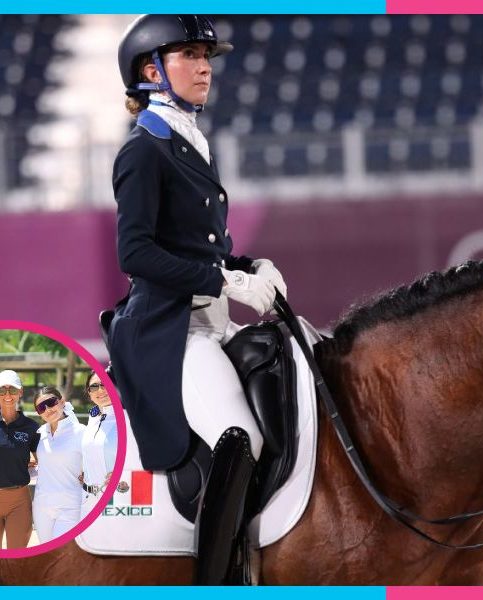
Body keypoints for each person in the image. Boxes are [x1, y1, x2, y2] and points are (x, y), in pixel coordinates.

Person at [110, 14, 287, 583]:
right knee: (241, 437)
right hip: (170, 330)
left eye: (206, 56)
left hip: (212, 323)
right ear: (151, 72)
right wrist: (224, 282)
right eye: (189, 55)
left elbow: (202, 248)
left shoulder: (190, 140)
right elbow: (135, 254)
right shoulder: (143, 151)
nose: (205, 67)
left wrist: (247, 266)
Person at [32, 386, 85, 543]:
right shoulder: (39, 434)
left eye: (51, 402)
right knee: (46, 554)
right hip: (41, 507)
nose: (48, 409)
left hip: (70, 506)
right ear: (39, 413)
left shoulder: (82, 432)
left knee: (61, 552)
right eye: (41, 407)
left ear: (62, 402)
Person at [0, 369, 39, 549]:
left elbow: (45, 459)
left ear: (20, 392)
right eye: (2, 390)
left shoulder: (31, 427)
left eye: (13, 390)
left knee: (16, 556)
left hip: (19, 501)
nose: (7, 395)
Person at [80, 372, 117, 518]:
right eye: (94, 387)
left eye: (106, 384)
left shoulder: (127, 418)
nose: (100, 390)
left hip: (115, 498)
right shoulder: (93, 417)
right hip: (87, 499)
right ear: (89, 393)